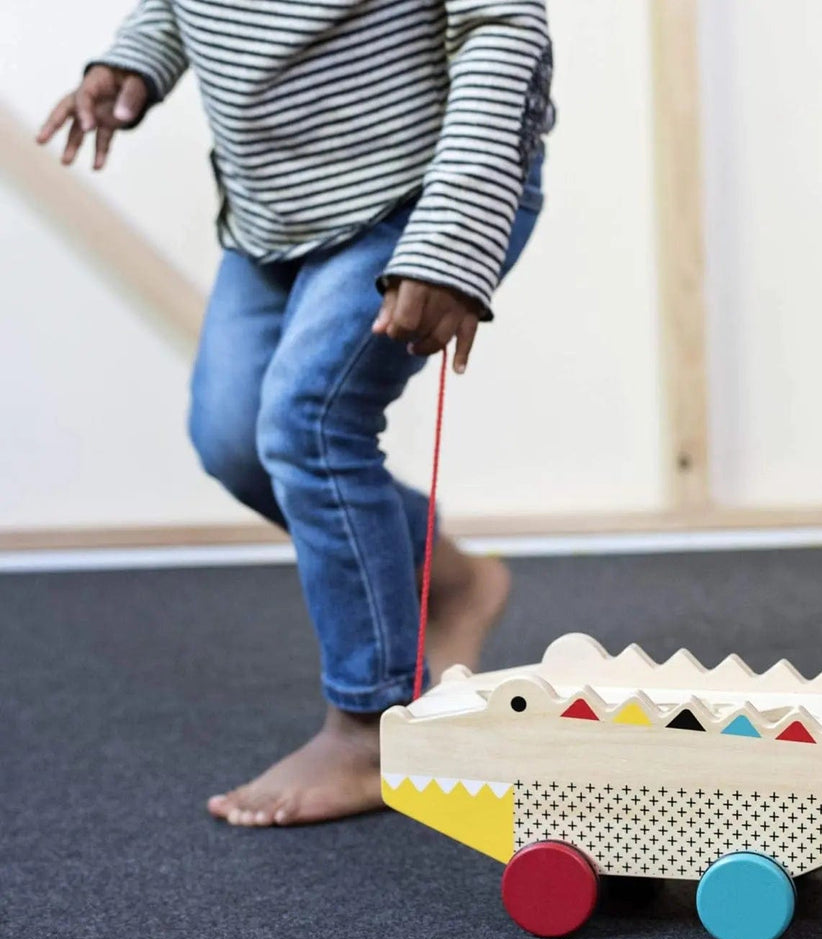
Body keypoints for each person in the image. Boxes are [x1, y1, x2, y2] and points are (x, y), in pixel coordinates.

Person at [38, 0, 553, 827]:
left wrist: (452, 238)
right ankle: (452, 582)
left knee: (308, 422)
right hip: (274, 213)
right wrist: (132, 62)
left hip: (416, 196)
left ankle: (370, 726)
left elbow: (504, 30)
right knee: (235, 441)